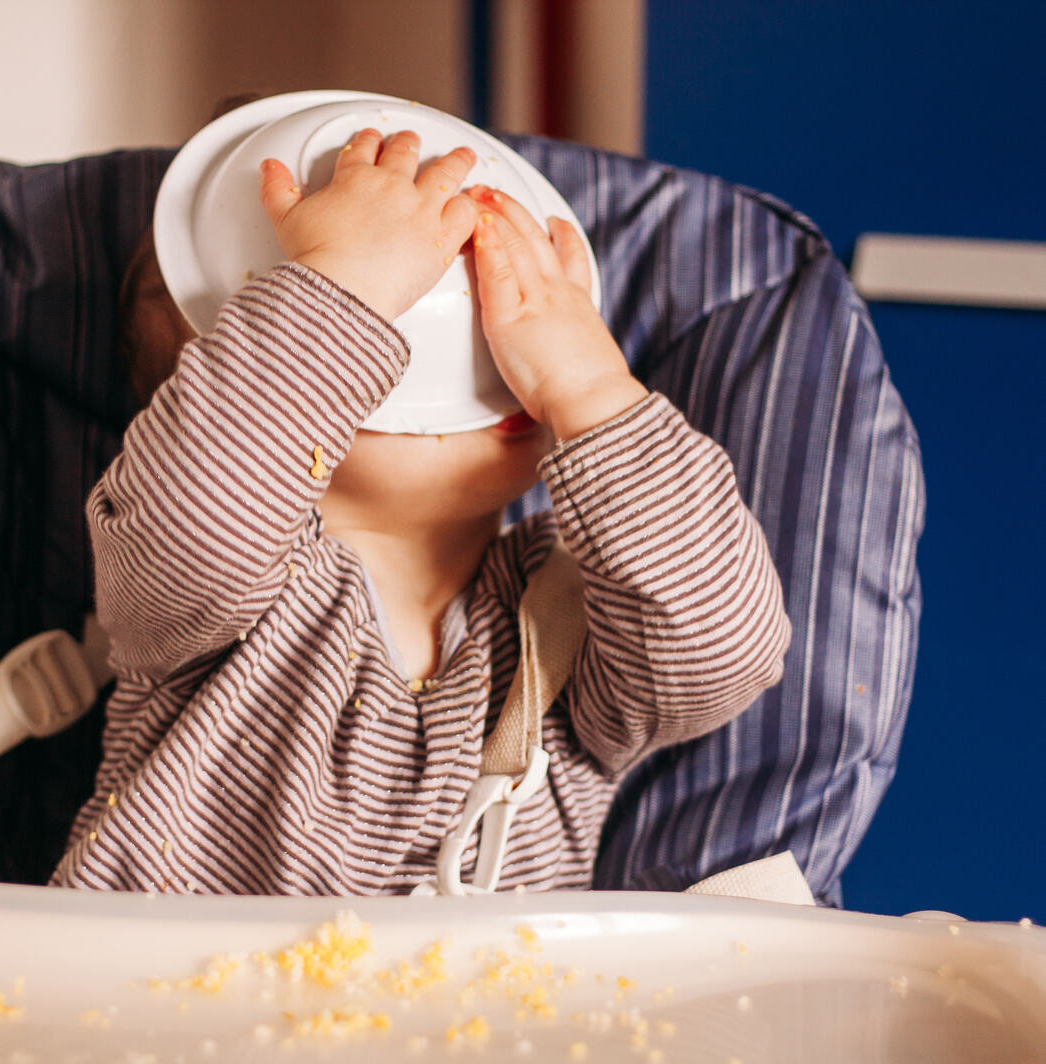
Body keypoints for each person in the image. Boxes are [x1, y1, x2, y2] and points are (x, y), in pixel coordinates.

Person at [51, 126, 791, 895]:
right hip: (162, 1001)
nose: (495, 356)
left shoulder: (578, 604)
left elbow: (724, 650)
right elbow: (204, 515)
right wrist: (344, 282)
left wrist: (590, 389)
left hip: (485, 1013)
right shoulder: (216, 597)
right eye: (421, 321)